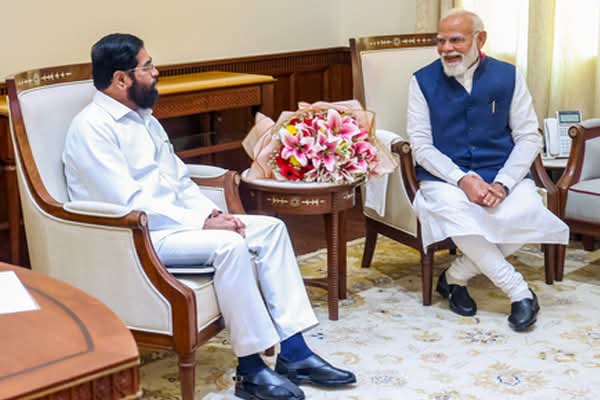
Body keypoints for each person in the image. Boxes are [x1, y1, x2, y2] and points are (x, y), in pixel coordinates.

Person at [62, 33, 356, 400]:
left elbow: (179, 180)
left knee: (271, 231)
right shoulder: (92, 128)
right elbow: (127, 202)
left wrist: (211, 212)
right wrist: (203, 224)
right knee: (229, 246)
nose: (156, 72)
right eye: (147, 66)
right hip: (137, 237)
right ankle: (251, 371)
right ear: (121, 79)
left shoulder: (144, 120)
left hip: (177, 226)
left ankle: (294, 354)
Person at [407, 9, 569, 331]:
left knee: (527, 212)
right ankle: (519, 292)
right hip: (445, 177)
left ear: (480, 39)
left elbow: (528, 137)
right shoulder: (421, 81)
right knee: (455, 213)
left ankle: (455, 276)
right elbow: (421, 146)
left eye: (456, 40)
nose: (446, 48)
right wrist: (462, 179)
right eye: (441, 41)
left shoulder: (508, 76)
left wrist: (504, 183)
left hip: (501, 172)